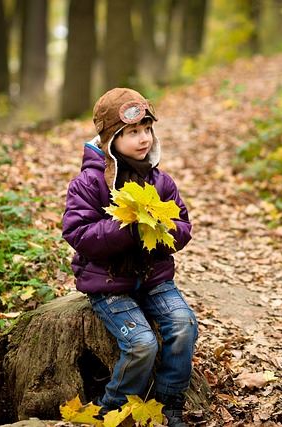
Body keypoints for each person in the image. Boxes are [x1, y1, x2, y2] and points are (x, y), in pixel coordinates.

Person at [62, 88, 197, 426]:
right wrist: (127, 228)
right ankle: (114, 411)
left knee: (183, 325)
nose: (143, 139)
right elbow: (78, 234)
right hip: (109, 284)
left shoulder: (159, 180)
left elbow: (183, 225)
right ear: (110, 140)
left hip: (153, 278)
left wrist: (162, 231)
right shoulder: (89, 183)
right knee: (141, 344)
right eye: (132, 133)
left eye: (147, 130)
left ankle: (169, 403)